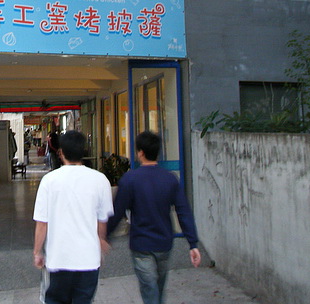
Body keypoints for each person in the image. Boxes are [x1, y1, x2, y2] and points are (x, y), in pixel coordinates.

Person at [107, 131, 201, 304]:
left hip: (141, 244)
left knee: (149, 289)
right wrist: (192, 243)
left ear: (140, 153)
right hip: (164, 243)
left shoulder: (130, 179)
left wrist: (105, 236)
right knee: (158, 287)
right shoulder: (170, 179)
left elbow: (118, 211)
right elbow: (183, 211)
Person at [33, 130, 113, 304]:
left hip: (58, 259)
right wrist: (100, 243)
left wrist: (38, 252)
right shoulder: (100, 180)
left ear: (61, 152)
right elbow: (102, 220)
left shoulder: (49, 181)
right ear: (83, 151)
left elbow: (42, 223)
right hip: (88, 259)